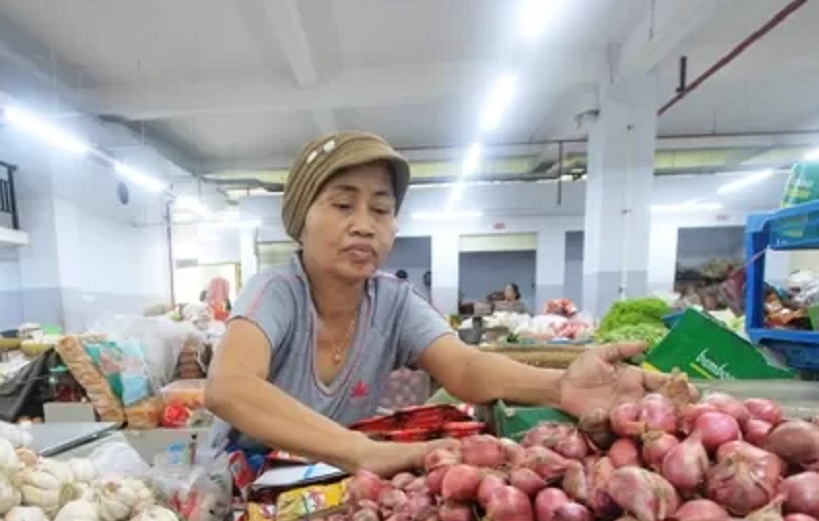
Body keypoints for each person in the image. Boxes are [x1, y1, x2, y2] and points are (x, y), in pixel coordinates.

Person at [205, 131, 666, 477]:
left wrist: (560, 386)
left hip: (328, 481)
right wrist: (363, 452)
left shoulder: (392, 301)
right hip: (244, 483)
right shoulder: (277, 291)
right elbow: (229, 388)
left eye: (381, 210)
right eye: (343, 205)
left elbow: (463, 367)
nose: (364, 225)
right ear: (300, 221)